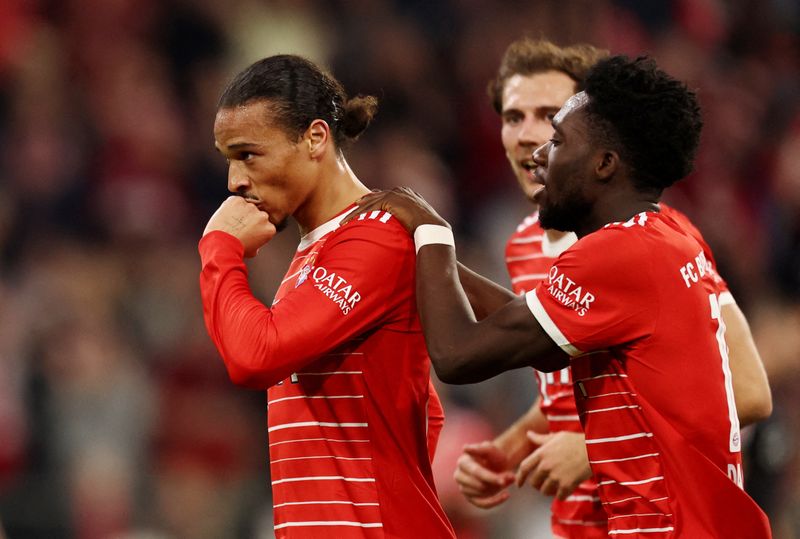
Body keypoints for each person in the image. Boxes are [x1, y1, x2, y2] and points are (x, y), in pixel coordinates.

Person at [346, 55, 772, 537]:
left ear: (605, 164)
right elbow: (530, 329)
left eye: (559, 138)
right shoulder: (663, 236)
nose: (539, 154)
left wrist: (430, 234)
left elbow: (456, 356)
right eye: (514, 118)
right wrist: (422, 254)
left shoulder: (616, 255)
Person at [198, 54, 455, 538]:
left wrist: (220, 248)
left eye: (248, 154)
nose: (234, 181)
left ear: (315, 138)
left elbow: (255, 356)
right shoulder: (316, 251)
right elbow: (426, 409)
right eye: (228, 160)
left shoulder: (373, 236)